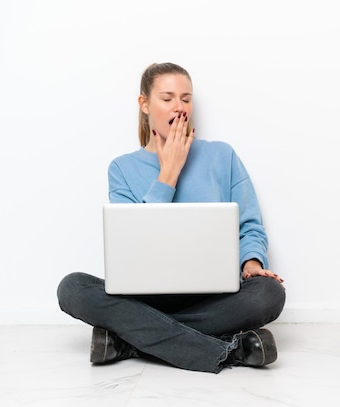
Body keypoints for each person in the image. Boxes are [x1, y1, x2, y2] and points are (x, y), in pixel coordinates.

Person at [57, 62, 286, 373]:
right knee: (72, 288)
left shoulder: (222, 155)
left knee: (269, 295)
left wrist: (252, 264)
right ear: (145, 104)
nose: (179, 107)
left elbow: (249, 225)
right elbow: (133, 246)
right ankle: (228, 350)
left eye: (186, 98)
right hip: (147, 299)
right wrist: (168, 174)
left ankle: (128, 340)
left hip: (215, 297)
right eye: (167, 99)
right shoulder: (122, 168)